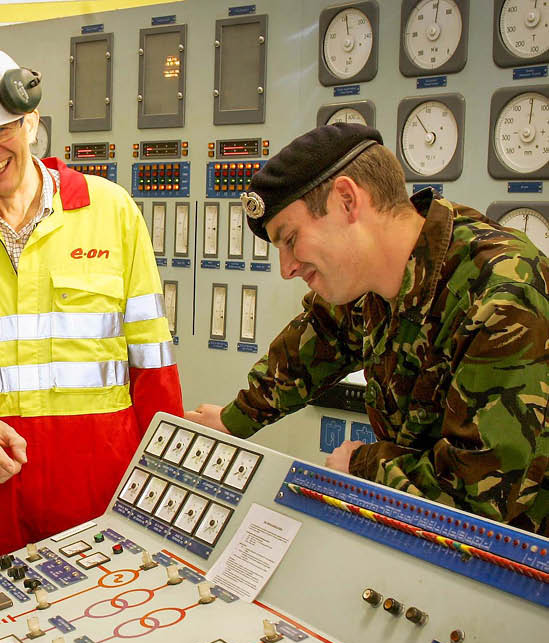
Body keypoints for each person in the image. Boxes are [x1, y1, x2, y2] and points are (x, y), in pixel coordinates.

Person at [187, 123, 548, 535]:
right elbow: (317, 340)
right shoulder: (368, 282)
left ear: (346, 200)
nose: (286, 268)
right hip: (420, 538)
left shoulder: (503, 293)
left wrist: (359, 467)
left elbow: (478, 495)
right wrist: (236, 419)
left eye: (291, 239)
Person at [0, 47, 183, 566]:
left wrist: (165, 479)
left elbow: (153, 360)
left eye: (2, 130)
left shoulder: (111, 210)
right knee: (1, 632)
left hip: (99, 480)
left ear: (31, 119)